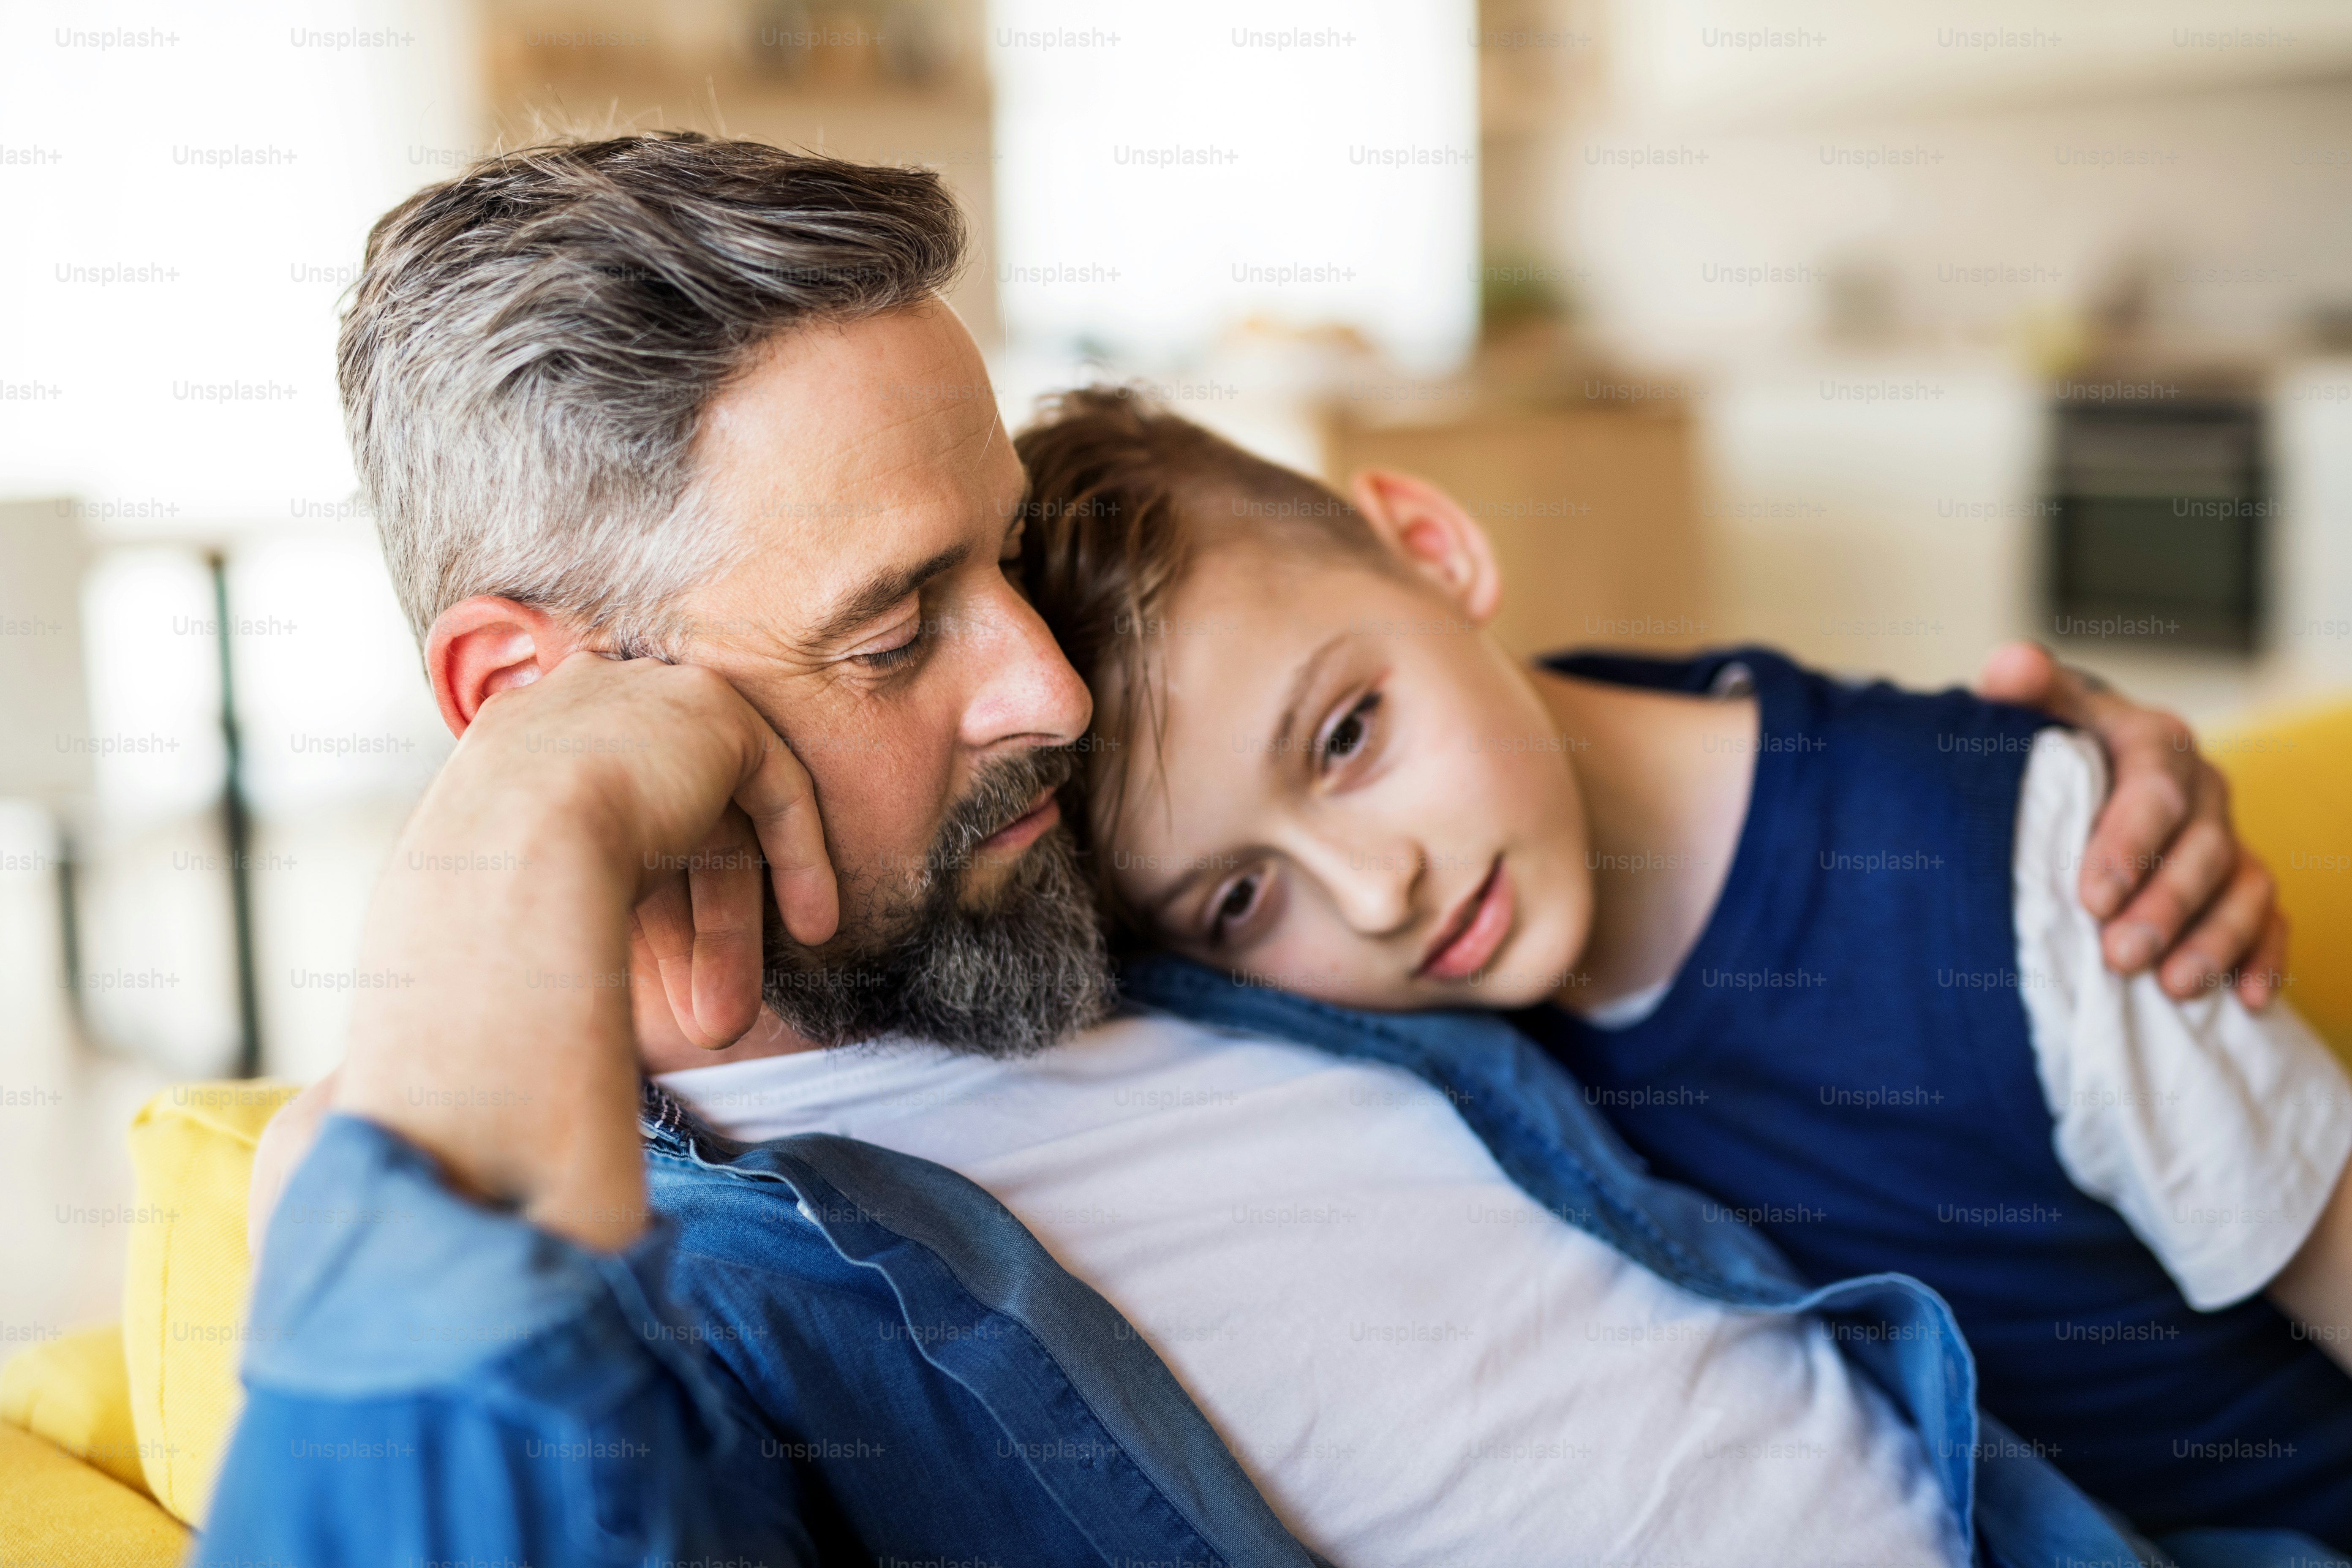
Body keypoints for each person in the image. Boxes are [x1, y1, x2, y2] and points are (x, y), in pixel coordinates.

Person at [214, 133, 2318, 1567]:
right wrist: (515, 855)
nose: (1046, 685)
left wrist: (2003, 789)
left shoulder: (1116, 901)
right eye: (895, 625)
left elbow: (1470, 739)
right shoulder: (696, 1303)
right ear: (531, 693)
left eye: (1006, 564)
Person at [1007, 385, 2352, 1542]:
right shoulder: (1359, 1023)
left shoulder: (2030, 859)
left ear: (1434, 548)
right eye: (1244, 895)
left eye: (1349, 736)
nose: (1375, 890)